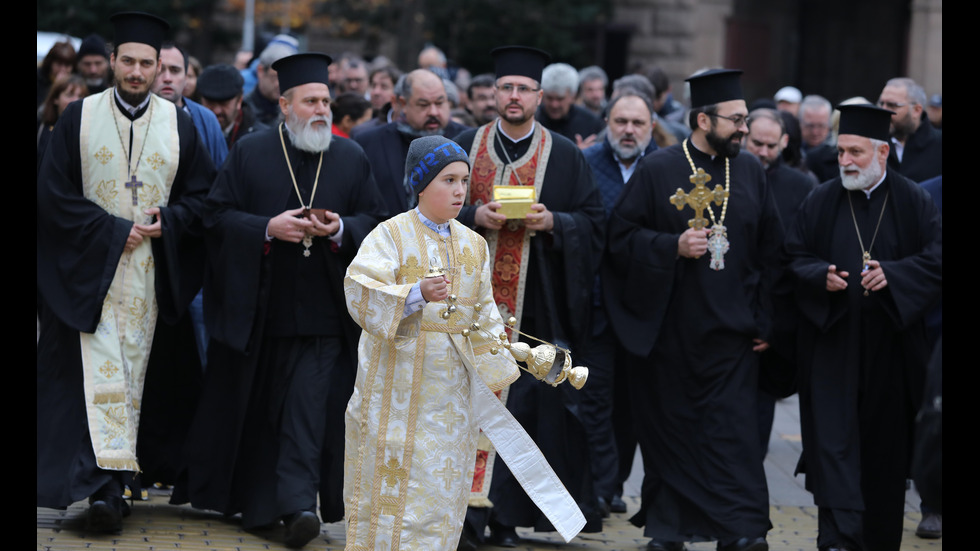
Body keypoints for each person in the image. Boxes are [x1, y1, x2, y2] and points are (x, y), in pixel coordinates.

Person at [172, 53, 387, 548]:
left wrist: (339, 229)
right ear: (284, 104)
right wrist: (267, 227)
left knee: (307, 410)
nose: (320, 110)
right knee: (262, 411)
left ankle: (298, 506)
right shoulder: (250, 152)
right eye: (310, 101)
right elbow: (216, 216)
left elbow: (376, 221)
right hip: (260, 311)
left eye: (326, 101)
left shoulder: (350, 157)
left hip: (323, 313)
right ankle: (260, 505)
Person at [343, 134, 586, 551]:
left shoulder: (473, 244)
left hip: (451, 398)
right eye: (447, 181)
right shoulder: (389, 235)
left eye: (463, 181)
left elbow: (485, 315)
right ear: (420, 184)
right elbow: (359, 292)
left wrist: (522, 356)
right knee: (394, 501)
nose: (459, 191)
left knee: (441, 494)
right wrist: (415, 293)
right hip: (396, 396)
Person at [37, 11, 215, 533]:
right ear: (112, 62)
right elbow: (51, 196)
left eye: (147, 63)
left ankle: (122, 483)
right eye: (128, 61)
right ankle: (99, 488)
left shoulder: (179, 123)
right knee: (93, 378)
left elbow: (203, 199)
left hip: (152, 281)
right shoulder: (77, 117)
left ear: (161, 67)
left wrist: (170, 220)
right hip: (89, 276)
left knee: (138, 378)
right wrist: (113, 231)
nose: (137, 71)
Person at [604, 69, 780, 551]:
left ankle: (741, 531)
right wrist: (670, 246)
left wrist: (765, 320)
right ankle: (668, 530)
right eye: (737, 120)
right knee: (673, 440)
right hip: (671, 336)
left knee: (734, 443)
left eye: (745, 119)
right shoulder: (659, 169)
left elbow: (771, 252)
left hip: (732, 337)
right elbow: (619, 240)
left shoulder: (748, 172)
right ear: (704, 119)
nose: (744, 129)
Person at [454, 45, 605, 547]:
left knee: (526, 411)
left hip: (535, 307)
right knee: (460, 407)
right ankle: (460, 514)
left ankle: (503, 517)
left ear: (540, 96)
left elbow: (594, 222)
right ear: (493, 93)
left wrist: (555, 222)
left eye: (523, 89)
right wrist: (473, 216)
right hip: (467, 309)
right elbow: (423, 212)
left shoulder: (564, 155)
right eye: (506, 88)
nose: (514, 96)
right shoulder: (463, 145)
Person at [783, 104, 942, 551]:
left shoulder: (914, 200)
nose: (846, 161)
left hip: (891, 351)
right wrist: (820, 276)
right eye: (841, 152)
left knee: (884, 458)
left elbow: (936, 259)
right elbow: (793, 257)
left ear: (883, 153)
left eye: (856, 152)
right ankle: (837, 540)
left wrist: (896, 275)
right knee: (833, 449)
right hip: (833, 347)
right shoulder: (821, 199)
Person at [581, 91, 658, 516]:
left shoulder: (663, 167)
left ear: (651, 126)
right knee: (596, 396)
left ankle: (619, 482)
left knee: (636, 402)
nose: (628, 130)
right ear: (607, 121)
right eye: (620, 121)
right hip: (596, 303)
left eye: (638, 123)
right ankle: (600, 486)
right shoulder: (587, 163)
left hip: (648, 308)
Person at [355, 68, 469, 216]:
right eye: (423, 104)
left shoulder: (467, 139)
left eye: (440, 103)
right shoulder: (369, 142)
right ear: (401, 103)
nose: (433, 112)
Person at [877, 77, 942, 182]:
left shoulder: (938, 145)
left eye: (892, 105)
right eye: (881, 103)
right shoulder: (873, 142)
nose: (883, 110)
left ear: (916, 110)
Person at [196, 63, 268, 148]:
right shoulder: (189, 131)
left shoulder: (260, 139)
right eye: (210, 103)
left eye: (224, 103)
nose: (217, 110)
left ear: (239, 101)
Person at [535, 62, 604, 148]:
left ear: (573, 96)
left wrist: (585, 155)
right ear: (542, 95)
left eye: (560, 99)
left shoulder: (592, 123)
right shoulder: (532, 119)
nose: (554, 105)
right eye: (550, 98)